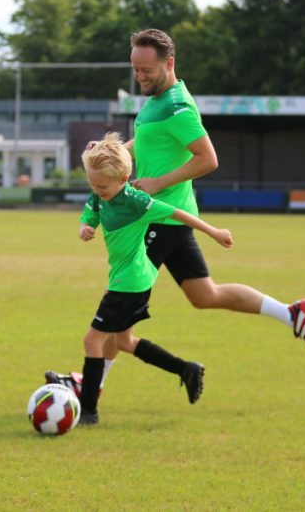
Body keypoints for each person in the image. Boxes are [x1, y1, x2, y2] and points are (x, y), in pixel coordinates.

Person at [47, 28, 305, 401]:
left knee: (119, 310)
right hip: (173, 219)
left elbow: (208, 159)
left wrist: (158, 183)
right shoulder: (157, 100)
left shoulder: (178, 108)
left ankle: (89, 384)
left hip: (158, 219)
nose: (139, 76)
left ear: (169, 63)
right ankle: (291, 314)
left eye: (146, 70)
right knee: (204, 294)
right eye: (135, 69)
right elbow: (144, 144)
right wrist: (108, 151)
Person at [70, 132, 234, 426]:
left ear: (123, 179)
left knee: (92, 341)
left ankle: (89, 411)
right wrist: (84, 226)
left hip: (130, 283)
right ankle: (186, 369)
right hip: (126, 278)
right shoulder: (100, 191)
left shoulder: (137, 202)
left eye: (102, 186)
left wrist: (215, 232)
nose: (96, 190)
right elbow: (91, 211)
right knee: (124, 340)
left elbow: (179, 214)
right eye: (92, 184)